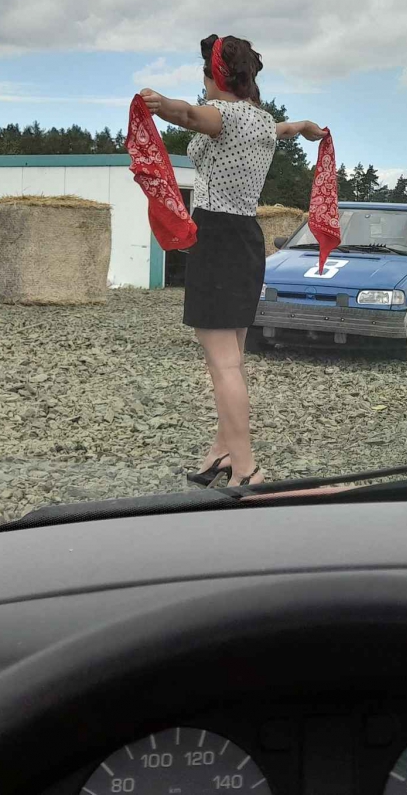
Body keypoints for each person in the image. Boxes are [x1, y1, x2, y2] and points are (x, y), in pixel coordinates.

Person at [140, 35, 328, 487]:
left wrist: (161, 103)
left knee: (223, 364)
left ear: (216, 77)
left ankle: (247, 469)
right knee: (231, 360)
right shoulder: (262, 121)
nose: (203, 87)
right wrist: (303, 125)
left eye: (205, 78)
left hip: (218, 238)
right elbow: (283, 129)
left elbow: (188, 115)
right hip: (246, 238)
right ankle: (222, 451)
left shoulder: (221, 115)